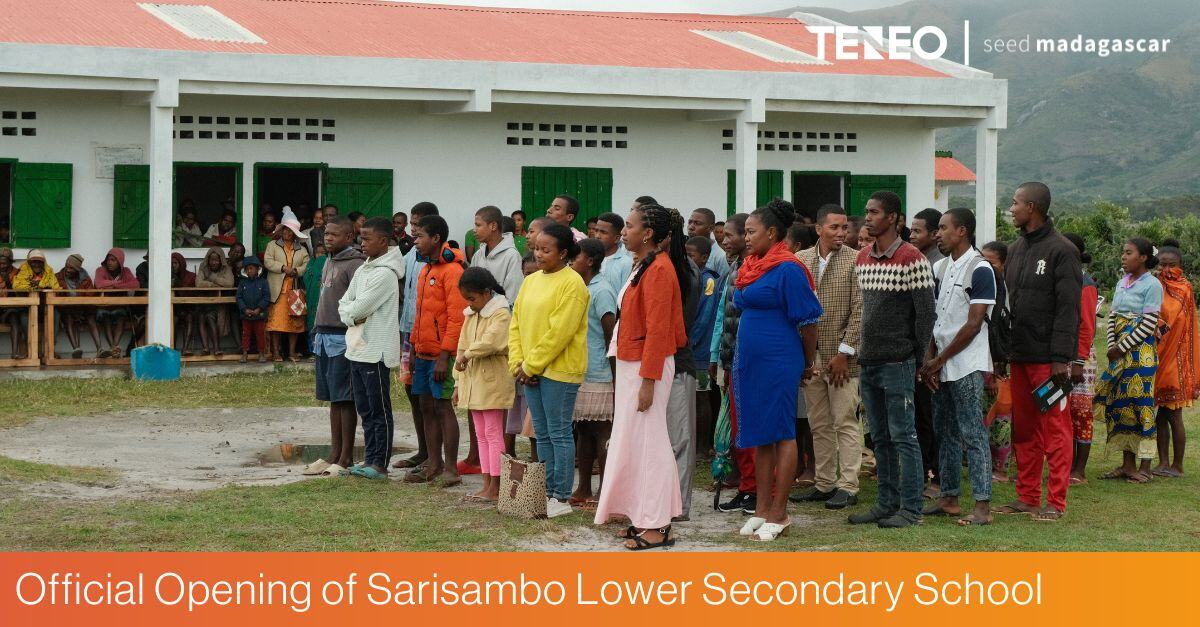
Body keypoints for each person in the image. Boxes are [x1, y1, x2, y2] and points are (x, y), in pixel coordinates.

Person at [596, 203, 687, 549]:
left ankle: (658, 525)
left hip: (648, 366)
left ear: (647, 234)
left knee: (651, 444)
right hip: (633, 363)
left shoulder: (660, 269)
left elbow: (659, 331)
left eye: (629, 226)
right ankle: (642, 516)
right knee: (634, 441)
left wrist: (649, 381)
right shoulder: (644, 265)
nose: (624, 231)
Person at [732, 201, 822, 541]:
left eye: (751, 231)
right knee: (760, 433)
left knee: (783, 432)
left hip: (780, 359)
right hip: (750, 361)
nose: (746, 237)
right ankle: (761, 508)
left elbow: (809, 322)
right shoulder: (752, 265)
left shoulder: (789, 269)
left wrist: (807, 363)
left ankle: (780, 513)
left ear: (771, 233)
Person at [848, 190, 935, 529]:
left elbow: (925, 315)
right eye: (867, 211)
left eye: (874, 212)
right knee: (880, 437)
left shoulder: (912, 258)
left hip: (899, 362)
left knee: (903, 436)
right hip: (869, 361)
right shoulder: (862, 258)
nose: (868, 217)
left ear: (894, 218)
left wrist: (917, 357)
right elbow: (863, 311)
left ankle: (911, 509)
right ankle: (886, 503)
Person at [999, 182, 1081, 522]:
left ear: (1031, 207)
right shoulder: (1016, 249)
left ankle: (1055, 502)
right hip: (1020, 355)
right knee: (1024, 428)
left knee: (1055, 429)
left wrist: (1061, 358)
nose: (1011, 209)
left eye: (1015, 203)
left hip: (1049, 361)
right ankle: (1028, 496)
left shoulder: (1062, 251)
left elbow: (1069, 309)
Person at [920, 208, 996, 526]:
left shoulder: (981, 269)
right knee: (945, 431)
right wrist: (930, 361)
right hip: (941, 363)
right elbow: (935, 319)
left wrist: (939, 360)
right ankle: (949, 497)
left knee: (972, 432)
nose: (938, 234)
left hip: (966, 363)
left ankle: (982, 505)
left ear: (962, 231)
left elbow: (974, 324)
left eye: (943, 228)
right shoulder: (939, 267)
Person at [509, 223, 589, 518]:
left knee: (559, 432)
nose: (538, 254)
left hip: (559, 371)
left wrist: (531, 365)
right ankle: (545, 491)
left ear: (564, 253)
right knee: (541, 433)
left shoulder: (573, 284)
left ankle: (561, 496)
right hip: (529, 370)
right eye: (536, 249)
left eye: (546, 250)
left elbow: (560, 333)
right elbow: (516, 323)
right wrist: (518, 363)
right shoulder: (531, 281)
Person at [795, 204, 864, 510]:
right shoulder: (800, 260)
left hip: (842, 358)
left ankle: (848, 486)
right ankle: (824, 483)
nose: (841, 233)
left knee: (845, 421)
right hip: (810, 357)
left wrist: (844, 353)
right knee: (819, 423)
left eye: (844, 227)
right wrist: (803, 357)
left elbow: (860, 311)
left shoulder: (856, 260)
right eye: (834, 227)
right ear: (819, 229)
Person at [460, 205, 526, 474]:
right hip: (478, 323)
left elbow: (512, 296)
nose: (474, 230)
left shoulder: (511, 255)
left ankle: (502, 465)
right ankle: (480, 461)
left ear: (494, 226)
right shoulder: (479, 254)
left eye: (478, 224)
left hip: (499, 326)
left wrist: (491, 315)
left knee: (496, 417)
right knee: (480, 417)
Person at [339, 217, 404, 480]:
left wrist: (352, 313)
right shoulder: (364, 268)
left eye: (367, 238)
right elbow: (345, 304)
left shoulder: (385, 274)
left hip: (375, 351)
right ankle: (369, 458)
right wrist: (351, 316)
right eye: (360, 237)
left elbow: (360, 307)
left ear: (383, 241)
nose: (361, 243)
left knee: (379, 410)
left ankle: (380, 464)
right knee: (365, 410)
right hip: (356, 348)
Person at [1094, 238, 1162, 486]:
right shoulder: (1121, 282)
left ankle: (1145, 467)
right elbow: (1113, 316)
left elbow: (1149, 323)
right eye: (1123, 252)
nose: (1123, 257)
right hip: (1119, 355)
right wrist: (1113, 346)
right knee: (1122, 406)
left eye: (1128, 253)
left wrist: (1121, 348)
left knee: (1142, 407)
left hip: (1140, 355)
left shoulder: (1153, 285)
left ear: (1143, 257)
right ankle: (1127, 465)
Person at [302, 217, 365, 477]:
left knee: (345, 398)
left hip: (342, 338)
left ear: (349, 237)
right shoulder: (328, 260)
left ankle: (346, 457)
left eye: (334, 234)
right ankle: (333, 453)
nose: (327, 238)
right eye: (326, 234)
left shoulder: (355, 264)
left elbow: (359, 305)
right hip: (323, 337)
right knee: (332, 399)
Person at [408, 215, 466, 486]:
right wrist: (414, 347)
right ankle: (433, 463)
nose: (415, 241)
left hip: (442, 356)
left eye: (419, 236)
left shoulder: (452, 271)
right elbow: (420, 314)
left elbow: (457, 318)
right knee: (425, 406)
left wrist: (445, 356)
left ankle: (451, 469)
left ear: (436, 238)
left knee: (443, 407)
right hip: (422, 353)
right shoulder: (425, 269)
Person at [454, 267, 514, 503]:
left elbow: (492, 342)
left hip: (493, 381)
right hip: (472, 380)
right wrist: (457, 383)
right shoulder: (471, 314)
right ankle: (487, 483)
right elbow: (461, 346)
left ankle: (496, 485)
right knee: (480, 434)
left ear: (487, 292)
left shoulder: (501, 313)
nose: (470, 303)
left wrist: (467, 355)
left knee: (492, 431)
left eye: (472, 298)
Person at [568, 239, 618, 508]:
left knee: (602, 431)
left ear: (589, 261)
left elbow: (611, 335)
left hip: (600, 371)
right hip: (581, 369)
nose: (570, 261)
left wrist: (615, 377)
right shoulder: (580, 287)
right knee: (583, 429)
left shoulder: (602, 291)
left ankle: (604, 490)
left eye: (575, 257)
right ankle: (583, 486)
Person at [713, 213, 757, 514]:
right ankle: (747, 486)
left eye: (730, 235)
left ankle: (757, 488)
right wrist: (718, 356)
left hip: (749, 359)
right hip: (731, 357)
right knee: (737, 428)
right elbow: (723, 315)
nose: (724, 240)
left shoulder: (755, 268)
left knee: (751, 428)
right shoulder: (734, 266)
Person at [394, 202, 440, 473]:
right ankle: (423, 450)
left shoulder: (442, 258)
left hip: (430, 336)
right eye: (411, 224)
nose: (413, 229)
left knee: (431, 398)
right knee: (412, 391)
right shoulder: (411, 253)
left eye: (418, 225)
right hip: (408, 331)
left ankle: (435, 456)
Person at [660, 209, 700, 521]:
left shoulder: (682, 270)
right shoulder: (663, 267)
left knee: (679, 438)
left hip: (676, 360)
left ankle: (679, 505)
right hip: (658, 361)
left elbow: (677, 324)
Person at [1153, 241, 1196, 478]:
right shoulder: (1155, 285)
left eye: (1172, 265)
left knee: (1173, 415)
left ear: (1180, 266)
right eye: (1163, 265)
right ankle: (1163, 463)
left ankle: (1177, 466)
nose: (1167, 270)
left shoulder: (1184, 288)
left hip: (1175, 361)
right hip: (1159, 357)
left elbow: (1173, 320)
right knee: (1161, 415)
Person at [1061, 233, 1099, 485]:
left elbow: (1086, 326)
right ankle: (1067, 464)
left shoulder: (1085, 283)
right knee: (1063, 411)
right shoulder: (1063, 278)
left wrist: (1078, 361)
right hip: (1061, 354)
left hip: (1080, 357)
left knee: (1081, 411)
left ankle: (1079, 469)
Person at [685, 236, 721, 455]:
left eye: (691, 255)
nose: (687, 259)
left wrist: (689, 342)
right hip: (690, 349)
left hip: (700, 351)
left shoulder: (708, 281)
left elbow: (704, 318)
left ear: (705, 257)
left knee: (702, 397)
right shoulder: (689, 276)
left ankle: (703, 446)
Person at [981, 241, 1013, 483]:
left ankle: (1000, 468)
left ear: (1003, 264)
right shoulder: (984, 288)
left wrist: (996, 369)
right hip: (983, 362)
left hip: (1000, 365)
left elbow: (1003, 332)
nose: (985, 267)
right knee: (983, 416)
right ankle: (983, 463)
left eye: (990, 262)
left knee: (1002, 414)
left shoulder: (1006, 292)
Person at [263, 209, 311, 362]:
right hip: (277, 291)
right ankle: (276, 352)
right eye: (285, 229)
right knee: (276, 323)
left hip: (295, 291)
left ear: (295, 233)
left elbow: (307, 265)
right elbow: (267, 261)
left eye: (290, 231)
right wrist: (283, 268)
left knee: (295, 323)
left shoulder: (301, 249)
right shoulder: (272, 245)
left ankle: (292, 352)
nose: (287, 233)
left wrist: (296, 271)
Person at [93, 248, 140, 359]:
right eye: (108, 260)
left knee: (121, 317)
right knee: (106, 318)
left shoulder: (126, 271)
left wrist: (113, 285)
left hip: (119, 306)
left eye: (113, 260)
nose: (110, 262)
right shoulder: (100, 270)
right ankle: (114, 348)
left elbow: (135, 284)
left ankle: (113, 348)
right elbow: (99, 284)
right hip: (104, 306)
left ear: (120, 261)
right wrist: (120, 284)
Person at [55, 254, 101, 360]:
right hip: (66, 310)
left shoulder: (85, 279)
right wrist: (72, 310)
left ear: (77, 270)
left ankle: (100, 349)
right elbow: (57, 298)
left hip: (83, 310)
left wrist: (80, 310)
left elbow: (90, 297)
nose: (67, 270)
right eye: (67, 266)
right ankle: (76, 349)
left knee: (91, 317)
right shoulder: (58, 277)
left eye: (71, 268)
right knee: (68, 318)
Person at [194, 247, 235, 357]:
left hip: (220, 305)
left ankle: (217, 348)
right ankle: (206, 348)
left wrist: (212, 278)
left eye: (216, 260)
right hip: (204, 303)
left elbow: (230, 283)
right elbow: (198, 283)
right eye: (211, 260)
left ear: (221, 260)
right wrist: (213, 285)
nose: (214, 262)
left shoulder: (226, 269)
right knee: (201, 316)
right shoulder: (204, 268)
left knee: (210, 317)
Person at [236, 256, 271, 362]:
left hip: (259, 315)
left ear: (258, 269)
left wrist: (259, 308)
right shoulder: (242, 282)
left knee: (260, 334)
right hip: (246, 315)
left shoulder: (263, 282)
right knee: (246, 334)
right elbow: (239, 297)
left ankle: (261, 354)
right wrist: (244, 309)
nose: (249, 271)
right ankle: (244, 354)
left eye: (251, 268)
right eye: (247, 269)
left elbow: (266, 297)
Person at [595, 212, 632, 298]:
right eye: (596, 231)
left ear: (617, 238)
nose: (597, 236)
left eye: (603, 232)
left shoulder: (626, 263)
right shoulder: (590, 259)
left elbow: (625, 295)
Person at [688, 208, 731, 281]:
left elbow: (723, 284)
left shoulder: (719, 257)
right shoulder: (685, 248)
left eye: (697, 223)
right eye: (690, 222)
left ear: (711, 228)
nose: (691, 227)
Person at [169, 252, 198, 356]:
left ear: (181, 264)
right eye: (171, 263)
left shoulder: (191, 276)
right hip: (173, 309)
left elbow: (193, 295)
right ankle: (172, 349)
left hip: (188, 308)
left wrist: (179, 285)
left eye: (175, 263)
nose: (173, 265)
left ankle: (185, 348)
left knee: (189, 318)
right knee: (174, 320)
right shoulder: (166, 276)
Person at [302, 243, 327, 358]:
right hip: (311, 299)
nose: (320, 255)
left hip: (324, 300)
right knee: (311, 324)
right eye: (318, 253)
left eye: (323, 253)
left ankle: (321, 352)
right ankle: (312, 351)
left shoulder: (329, 263)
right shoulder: (310, 264)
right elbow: (306, 278)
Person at [0, 248, 21, 357]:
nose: (2, 266)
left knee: (15, 320)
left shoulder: (17, 273)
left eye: (4, 263)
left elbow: (18, 294)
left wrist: (7, 281)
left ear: (10, 262)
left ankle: (14, 352)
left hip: (11, 308)